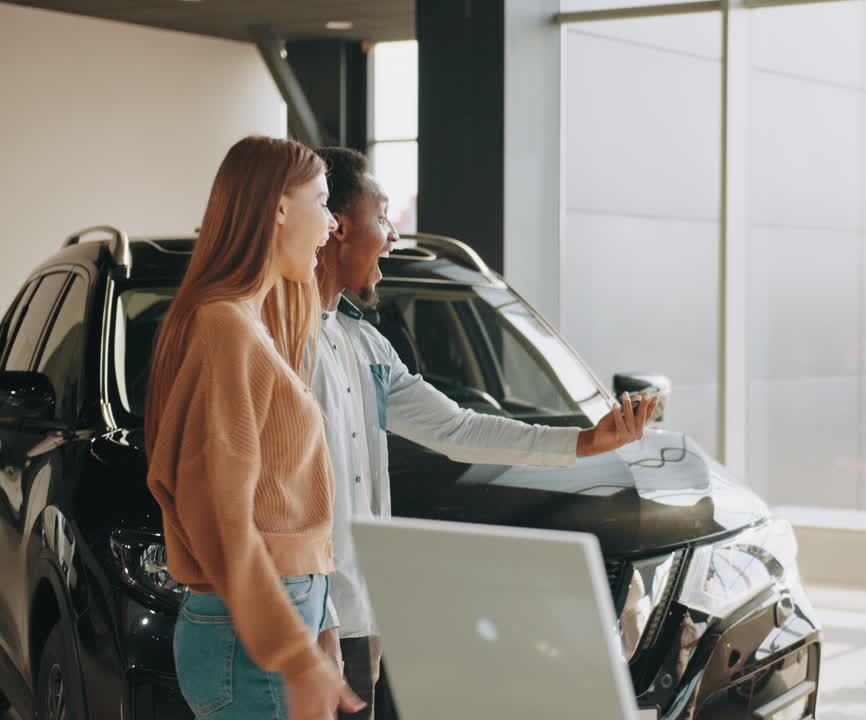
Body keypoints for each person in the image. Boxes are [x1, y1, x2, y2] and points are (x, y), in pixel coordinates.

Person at [309, 146, 660, 719]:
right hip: (304, 618)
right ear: (337, 225)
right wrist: (315, 624)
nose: (392, 237)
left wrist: (582, 442)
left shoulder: (365, 344)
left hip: (361, 615)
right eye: (383, 216)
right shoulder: (277, 342)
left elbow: (457, 427)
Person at [145, 136, 365, 719]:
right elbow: (220, 514)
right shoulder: (226, 328)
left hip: (268, 622)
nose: (333, 224)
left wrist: (317, 632)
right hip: (252, 640)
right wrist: (292, 652)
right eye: (323, 203)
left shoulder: (247, 322)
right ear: (279, 208)